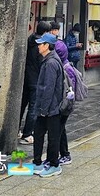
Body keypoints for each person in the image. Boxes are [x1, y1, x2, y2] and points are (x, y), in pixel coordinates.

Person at [32, 32, 64, 178]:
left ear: (47, 46)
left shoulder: (51, 63)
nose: (39, 46)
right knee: (39, 134)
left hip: (51, 108)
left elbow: (48, 88)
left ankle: (54, 165)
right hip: (47, 107)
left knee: (52, 137)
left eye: (41, 44)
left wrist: (43, 109)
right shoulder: (49, 60)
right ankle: (37, 162)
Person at [20, 21, 48, 145]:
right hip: (35, 79)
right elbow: (41, 63)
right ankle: (27, 134)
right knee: (33, 108)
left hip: (26, 77)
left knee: (22, 105)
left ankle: (16, 130)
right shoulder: (40, 46)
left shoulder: (29, 40)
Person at [53, 32, 79, 165]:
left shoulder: (66, 68)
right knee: (60, 130)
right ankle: (64, 154)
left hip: (64, 105)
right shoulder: (62, 65)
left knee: (58, 130)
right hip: (62, 104)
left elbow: (69, 89)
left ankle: (62, 155)